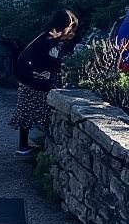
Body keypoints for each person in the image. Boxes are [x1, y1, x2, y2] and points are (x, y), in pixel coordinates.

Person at [12, 9, 80, 155]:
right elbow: (45, 61)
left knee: (27, 112)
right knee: (29, 112)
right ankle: (25, 147)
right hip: (32, 80)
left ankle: (25, 145)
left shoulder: (47, 36)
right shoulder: (48, 40)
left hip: (29, 78)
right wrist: (60, 66)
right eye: (69, 27)